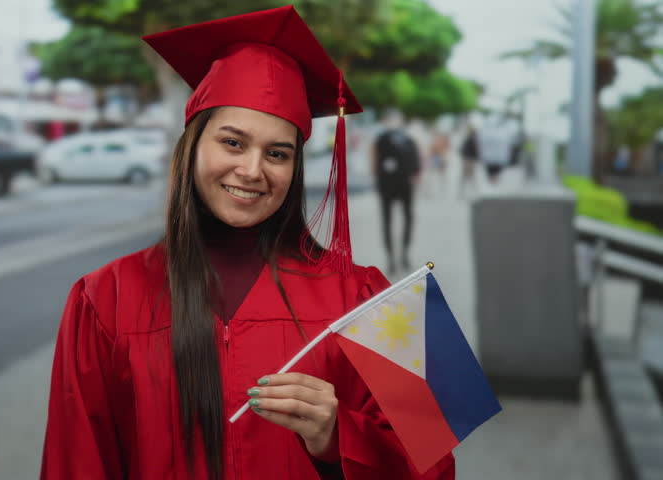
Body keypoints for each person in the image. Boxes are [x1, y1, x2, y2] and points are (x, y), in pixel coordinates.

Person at [40, 6, 455, 480]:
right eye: (233, 143)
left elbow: (436, 464)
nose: (253, 170)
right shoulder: (104, 299)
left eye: (277, 153)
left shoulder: (365, 298)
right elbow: (75, 464)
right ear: (192, 146)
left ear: (295, 167)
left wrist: (337, 437)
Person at [372, 110, 421, 275]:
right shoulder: (381, 139)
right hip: (386, 184)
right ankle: (391, 257)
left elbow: (416, 160)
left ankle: (404, 253)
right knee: (387, 221)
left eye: (396, 119)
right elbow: (374, 158)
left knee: (408, 217)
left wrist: (416, 175)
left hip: (405, 184)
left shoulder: (408, 140)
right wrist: (376, 178)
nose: (393, 123)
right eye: (390, 119)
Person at [459, 124, 479, 199]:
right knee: (471, 176)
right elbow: (475, 150)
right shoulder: (472, 139)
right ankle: (473, 192)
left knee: (466, 176)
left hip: (467, 159)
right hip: (469, 160)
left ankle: (463, 192)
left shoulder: (468, 138)